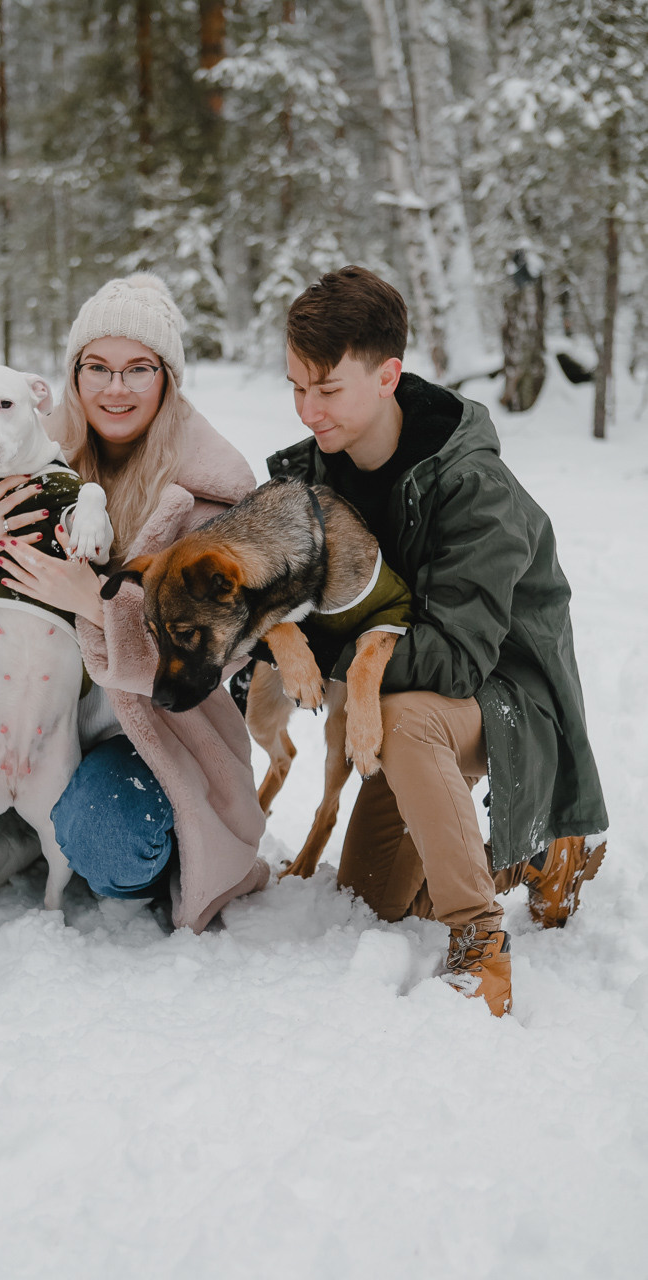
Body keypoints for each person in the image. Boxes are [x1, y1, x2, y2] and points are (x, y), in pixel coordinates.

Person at [0, 273, 268, 1037]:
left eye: (139, 368)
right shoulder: (9, 435)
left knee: (109, 835)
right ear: (68, 376)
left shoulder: (216, 492)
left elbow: (203, 661)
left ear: (168, 377)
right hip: (15, 689)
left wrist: (91, 603)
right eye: (96, 367)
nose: (115, 387)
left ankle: (121, 840)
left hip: (139, 720)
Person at [267, 265, 608, 1016]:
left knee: (405, 716)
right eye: (295, 387)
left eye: (326, 389)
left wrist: (325, 657)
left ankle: (480, 946)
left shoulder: (471, 485)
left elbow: (455, 662)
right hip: (400, 706)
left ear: (387, 375)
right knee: (372, 904)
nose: (306, 409)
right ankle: (533, 859)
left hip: (506, 696)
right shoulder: (312, 480)